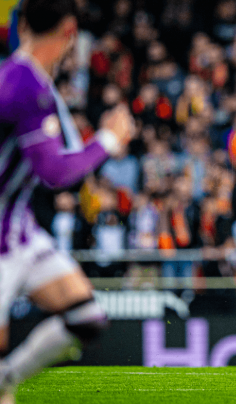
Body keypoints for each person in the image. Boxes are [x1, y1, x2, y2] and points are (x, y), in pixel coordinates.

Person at [0, 0, 133, 401]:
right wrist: (109, 140)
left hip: (18, 228)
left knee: (87, 317)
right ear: (70, 32)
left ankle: (7, 378)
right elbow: (54, 174)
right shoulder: (25, 83)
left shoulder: (26, 78)